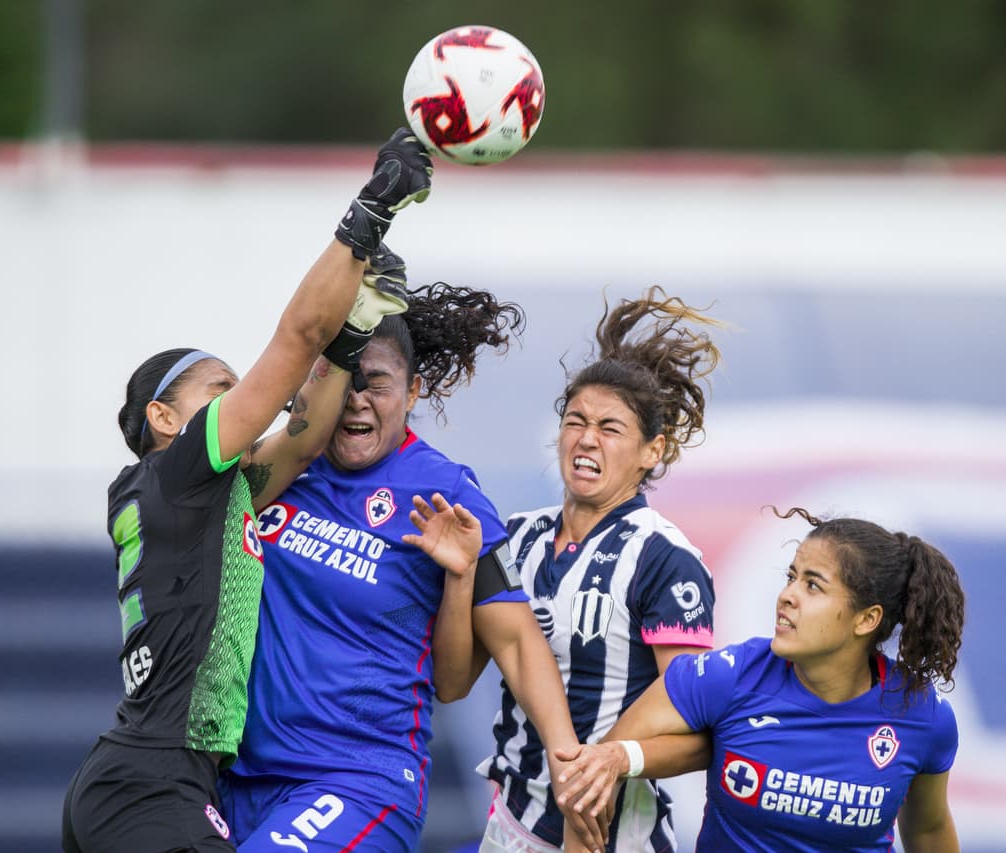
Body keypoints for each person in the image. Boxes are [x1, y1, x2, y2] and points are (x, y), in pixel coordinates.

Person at [61, 128, 433, 853]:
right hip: (151, 782)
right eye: (221, 388)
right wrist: (373, 207)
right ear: (164, 417)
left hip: (144, 778)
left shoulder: (194, 493)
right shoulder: (181, 465)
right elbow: (294, 341)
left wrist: (353, 336)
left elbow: (301, 440)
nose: (242, 399)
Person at [216, 283, 603, 851]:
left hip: (358, 782)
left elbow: (513, 647)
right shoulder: (284, 472)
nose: (355, 401)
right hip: (240, 780)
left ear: (414, 389)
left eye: (376, 383)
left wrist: (568, 761)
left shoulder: (443, 492)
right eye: (343, 380)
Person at [442, 288, 723, 853]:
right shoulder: (516, 535)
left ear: (653, 451)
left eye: (611, 427)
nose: (587, 438)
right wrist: (460, 576)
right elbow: (452, 684)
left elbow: (701, 733)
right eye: (576, 420)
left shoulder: (665, 559)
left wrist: (611, 763)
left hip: (613, 838)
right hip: (511, 825)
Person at [553, 507, 967, 853]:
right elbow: (599, 772)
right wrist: (617, 759)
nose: (787, 595)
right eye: (791, 577)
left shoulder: (923, 717)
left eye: (813, 586)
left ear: (867, 619)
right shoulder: (729, 676)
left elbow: (928, 832)